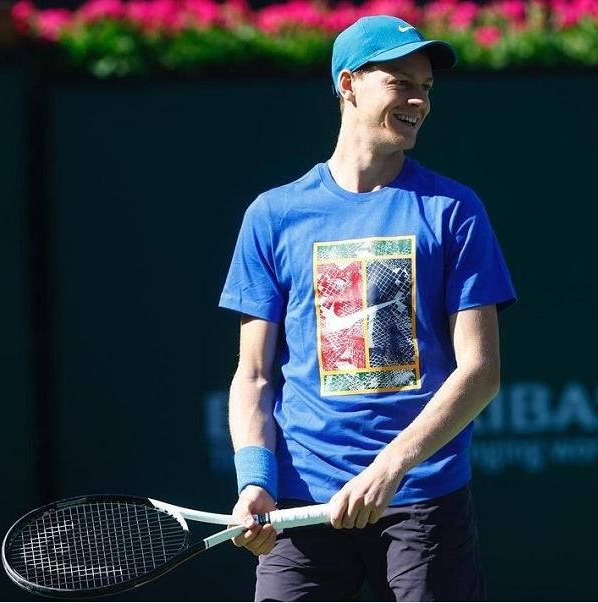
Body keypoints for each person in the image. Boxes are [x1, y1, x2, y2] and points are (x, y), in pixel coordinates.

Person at [218, 14, 516, 602]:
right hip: (304, 504)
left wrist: (391, 468)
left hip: (422, 502)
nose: (418, 100)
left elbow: (480, 372)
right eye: (401, 82)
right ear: (349, 84)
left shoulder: (454, 211)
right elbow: (253, 375)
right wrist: (256, 479)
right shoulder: (273, 216)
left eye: (426, 87)